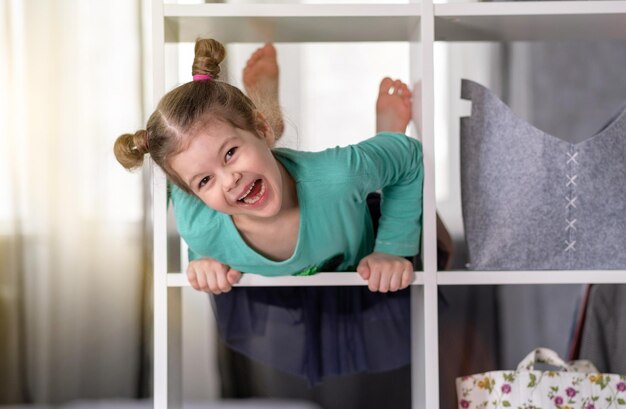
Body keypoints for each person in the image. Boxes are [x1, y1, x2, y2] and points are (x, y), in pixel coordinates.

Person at [114, 38, 422, 390]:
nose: (230, 181)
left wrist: (392, 249)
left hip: (354, 241)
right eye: (204, 180)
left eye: (229, 153)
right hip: (281, 285)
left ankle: (385, 134)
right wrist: (202, 257)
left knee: (424, 236)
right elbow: (182, 187)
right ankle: (255, 130)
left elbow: (410, 157)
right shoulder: (199, 224)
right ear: (193, 194)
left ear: (259, 128)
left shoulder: (339, 176)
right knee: (231, 172)